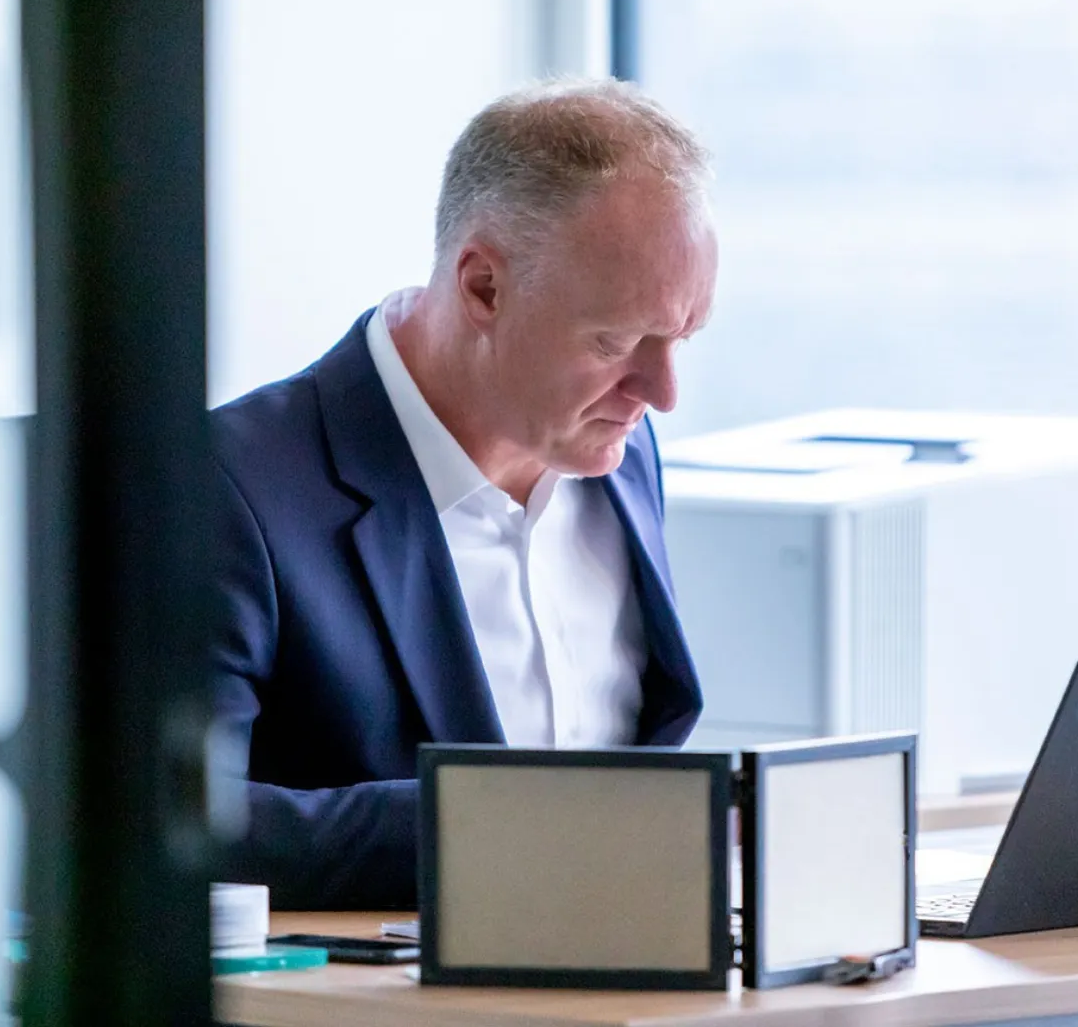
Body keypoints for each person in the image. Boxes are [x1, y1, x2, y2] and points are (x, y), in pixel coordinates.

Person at [209, 78, 718, 909]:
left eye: (682, 338)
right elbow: (179, 824)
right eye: (617, 340)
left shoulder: (618, 449)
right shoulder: (231, 489)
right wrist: (519, 828)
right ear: (483, 286)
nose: (661, 392)